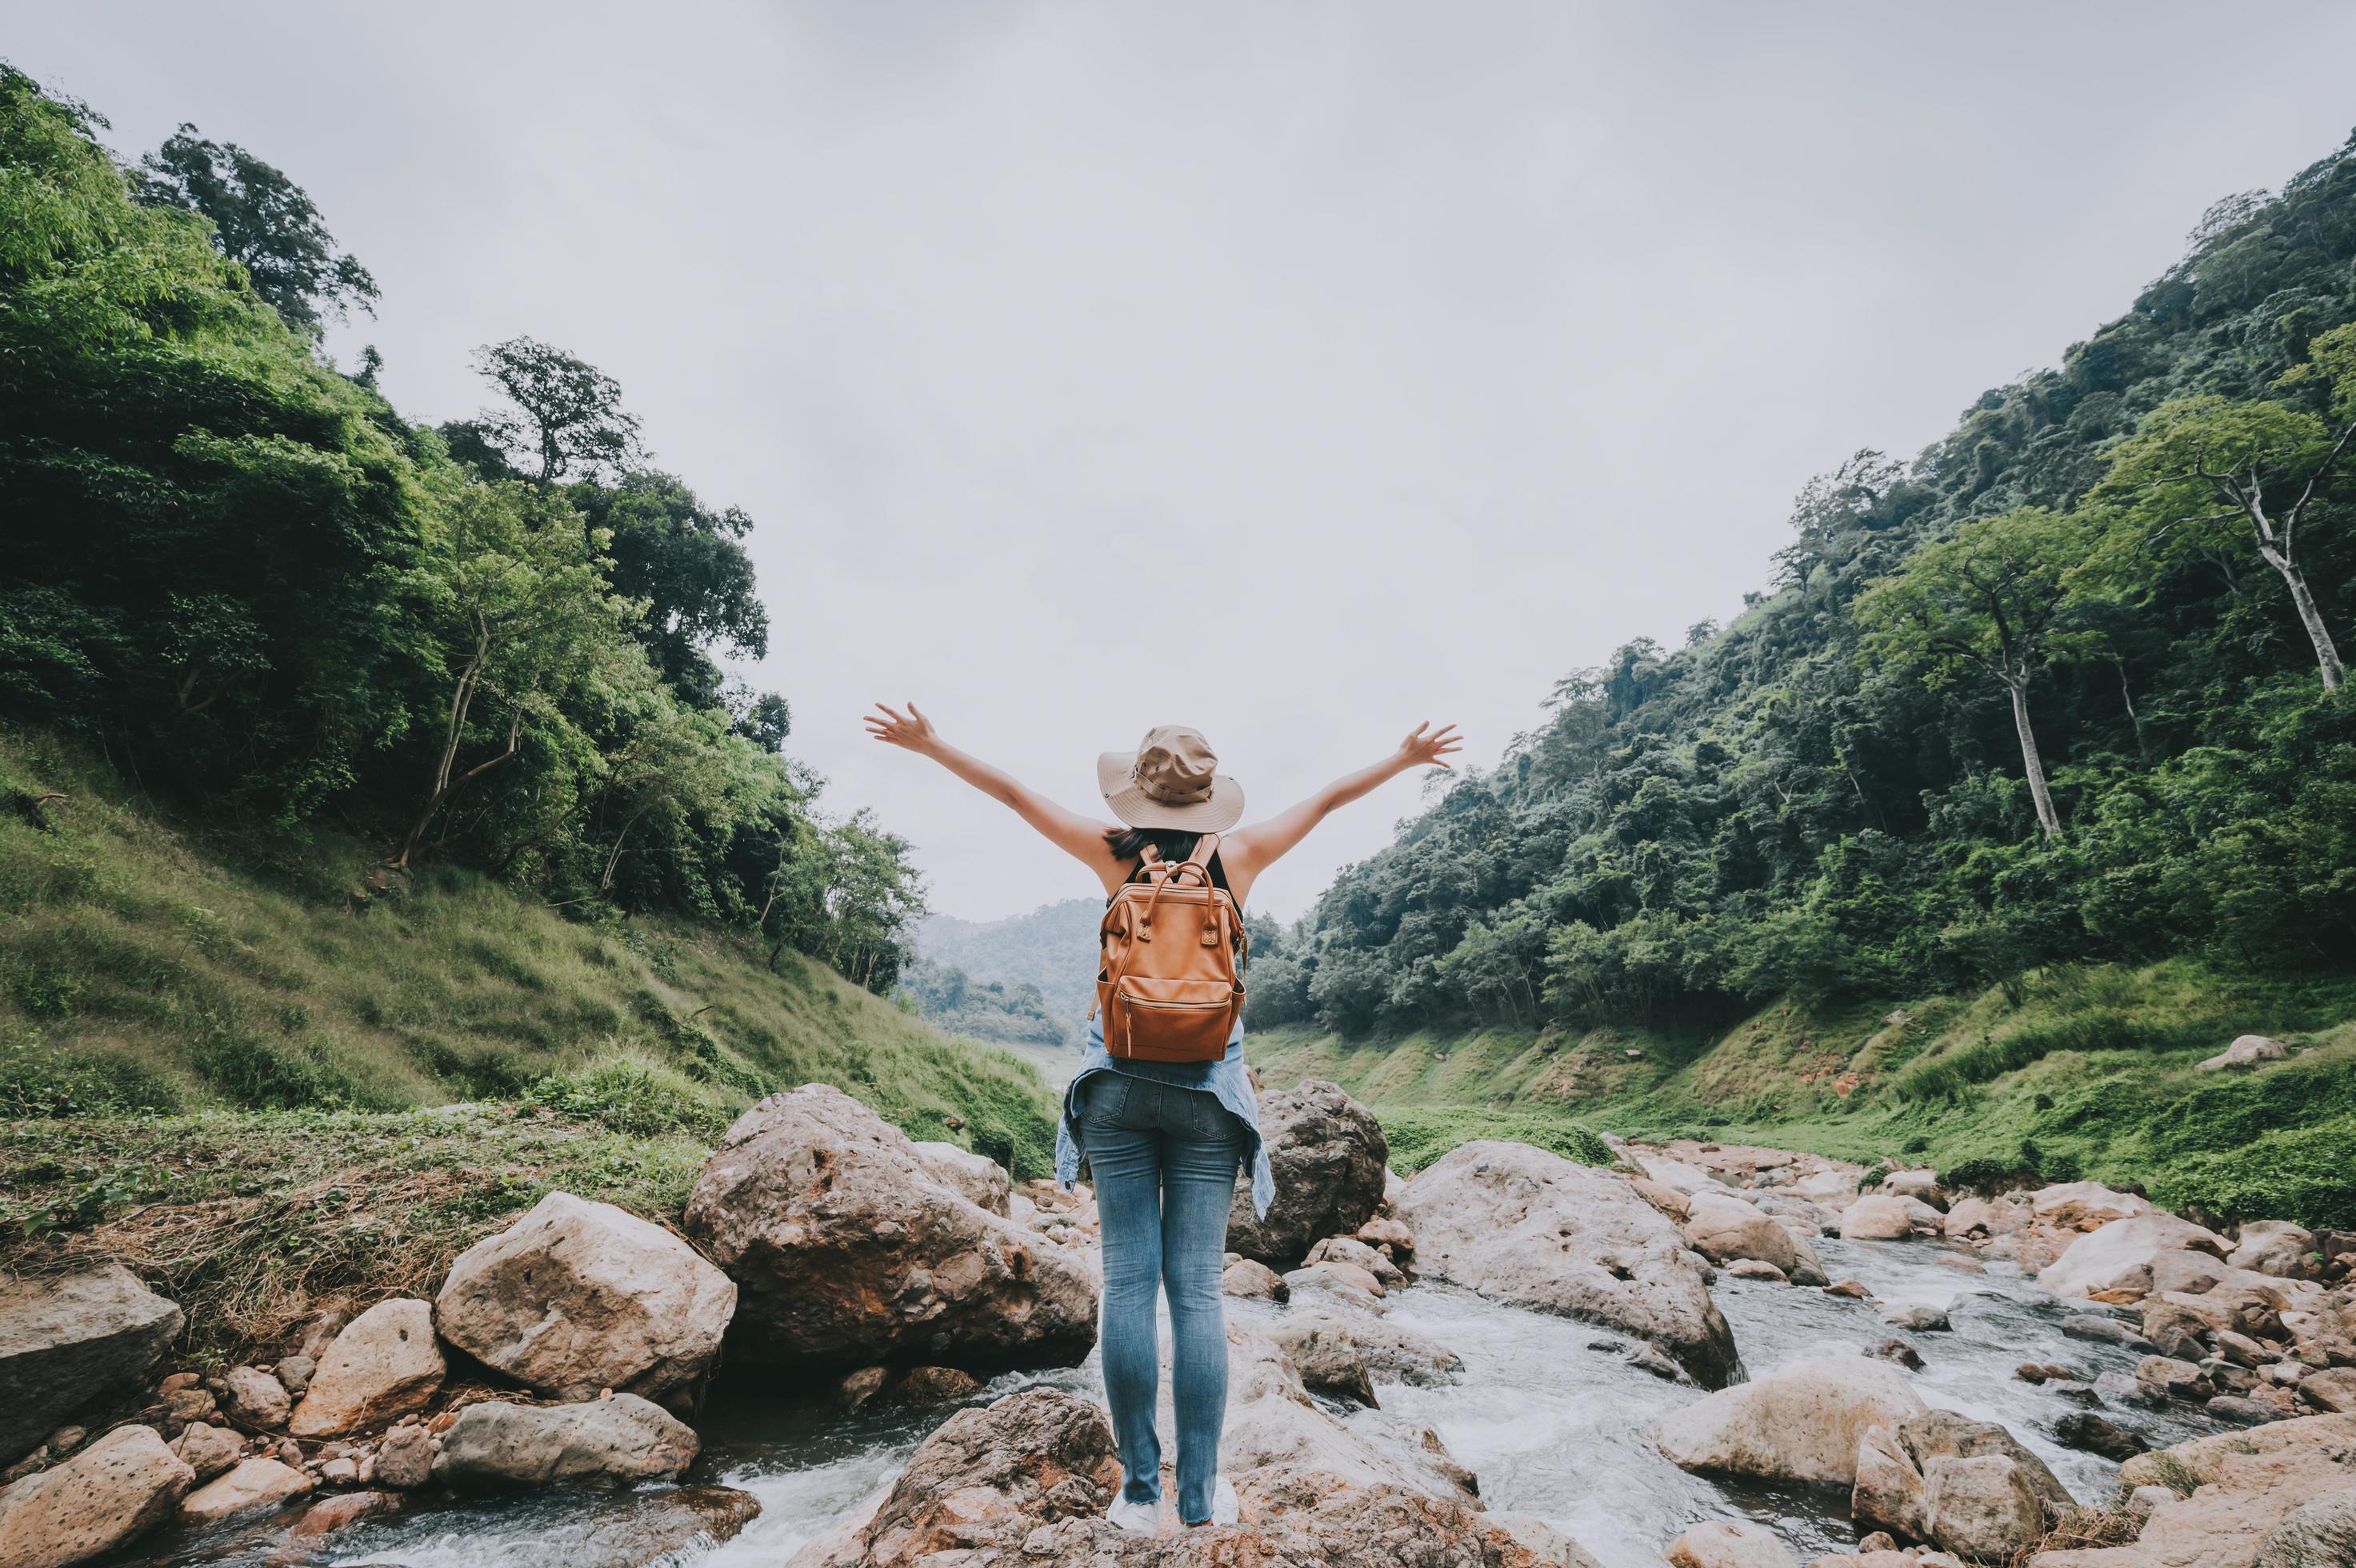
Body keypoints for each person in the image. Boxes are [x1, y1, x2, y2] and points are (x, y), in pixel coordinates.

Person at [863, 703, 1462, 1533]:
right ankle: (1199, 1495)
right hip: (1208, 1096)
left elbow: (1010, 794)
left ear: (1136, 793)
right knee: (1196, 1299)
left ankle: (1139, 1492)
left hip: (1114, 1089)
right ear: (1209, 796)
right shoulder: (1239, 856)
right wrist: (1401, 757)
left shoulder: (1113, 854)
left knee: (1126, 1287)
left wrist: (928, 744)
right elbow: (1324, 801)